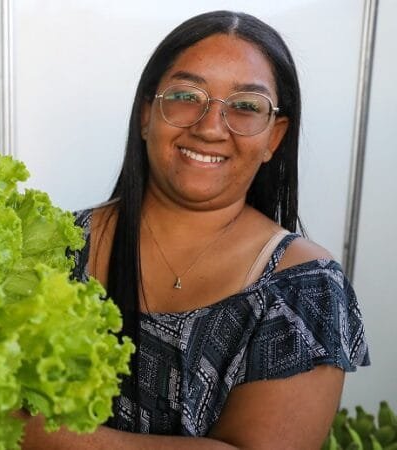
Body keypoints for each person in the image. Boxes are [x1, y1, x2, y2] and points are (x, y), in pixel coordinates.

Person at [20, 11, 369, 449]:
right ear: (147, 113)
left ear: (273, 138)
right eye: (187, 95)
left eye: (245, 106)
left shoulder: (304, 292)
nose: (208, 127)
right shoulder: (51, 247)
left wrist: (28, 432)